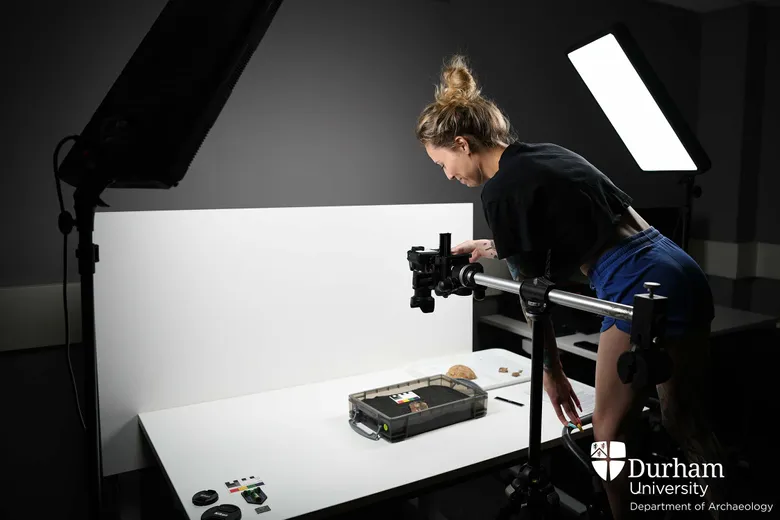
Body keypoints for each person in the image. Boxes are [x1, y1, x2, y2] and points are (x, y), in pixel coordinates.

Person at [415, 54, 729, 519]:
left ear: (462, 144)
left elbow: (533, 296)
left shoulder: (499, 191)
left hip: (635, 283)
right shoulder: (545, 155)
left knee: (607, 433)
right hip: (678, 268)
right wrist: (491, 245)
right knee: (685, 422)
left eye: (443, 162)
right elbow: (588, 231)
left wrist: (552, 374)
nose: (448, 174)